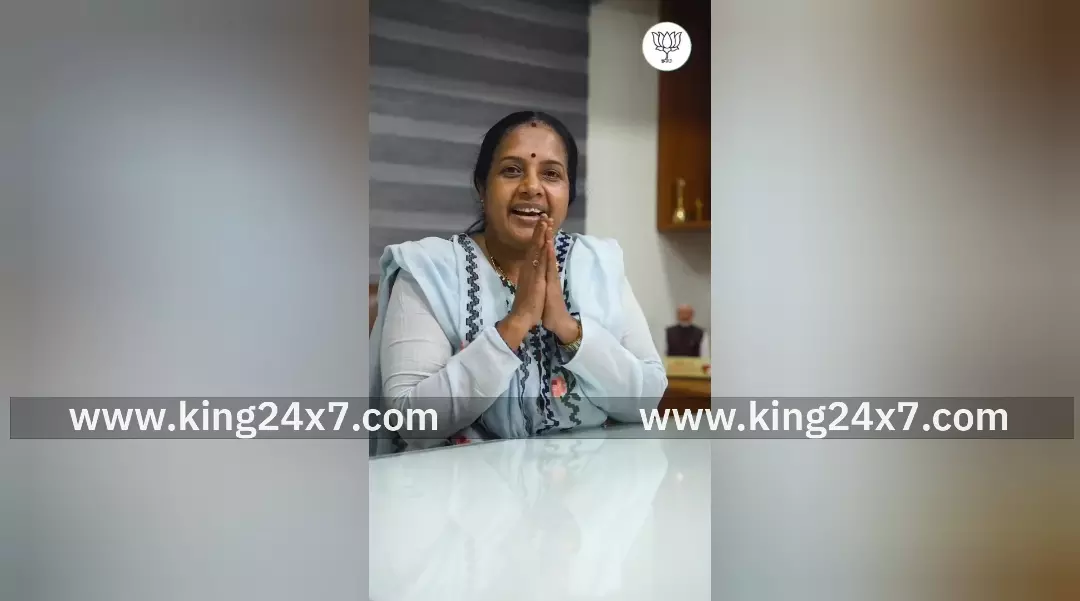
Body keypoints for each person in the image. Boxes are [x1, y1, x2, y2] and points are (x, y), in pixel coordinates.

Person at [369, 111, 667, 455]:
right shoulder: (428, 270)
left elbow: (646, 400)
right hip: (458, 485)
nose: (532, 187)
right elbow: (413, 422)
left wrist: (568, 328)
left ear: (569, 192)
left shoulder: (599, 264)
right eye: (511, 170)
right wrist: (517, 322)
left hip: (588, 482)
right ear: (482, 187)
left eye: (551, 174)